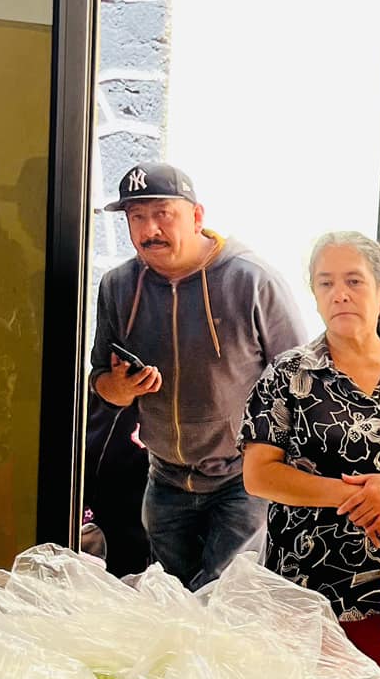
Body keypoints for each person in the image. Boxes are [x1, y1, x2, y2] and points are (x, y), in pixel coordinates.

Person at [88, 161, 308, 589]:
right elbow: (101, 382)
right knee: (173, 604)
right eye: (136, 217)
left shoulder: (251, 279)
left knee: (218, 602)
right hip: (164, 477)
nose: (149, 229)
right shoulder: (117, 286)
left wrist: (282, 465)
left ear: (197, 216)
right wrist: (117, 387)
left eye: (162, 214)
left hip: (241, 479)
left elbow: (299, 379)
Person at [240, 232, 380, 679]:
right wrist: (355, 496)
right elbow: (258, 475)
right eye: (326, 283)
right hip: (305, 589)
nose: (340, 294)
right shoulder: (289, 374)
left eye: (354, 281)